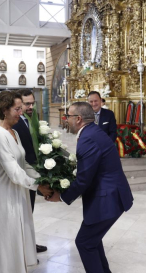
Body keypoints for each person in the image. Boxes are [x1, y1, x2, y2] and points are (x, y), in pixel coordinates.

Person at [48, 102, 133, 273]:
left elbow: (84, 179)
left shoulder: (88, 138)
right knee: (92, 241)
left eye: (68, 116)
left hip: (108, 198)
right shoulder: (92, 132)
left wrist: (62, 196)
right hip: (109, 195)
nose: (66, 120)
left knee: (85, 243)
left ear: (78, 119)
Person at [0, 91, 52, 273]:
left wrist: (44, 179)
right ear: (4, 110)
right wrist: (38, 186)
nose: (21, 112)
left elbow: (23, 164)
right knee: (8, 239)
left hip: (19, 192)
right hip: (4, 195)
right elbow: (14, 173)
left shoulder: (13, 131)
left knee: (19, 236)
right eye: (17, 109)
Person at [12, 88, 48, 253]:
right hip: (23, 173)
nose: (30, 107)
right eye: (27, 104)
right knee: (22, 214)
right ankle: (24, 249)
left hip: (33, 171)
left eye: (32, 103)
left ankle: (29, 245)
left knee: (29, 211)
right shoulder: (15, 122)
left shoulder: (31, 118)